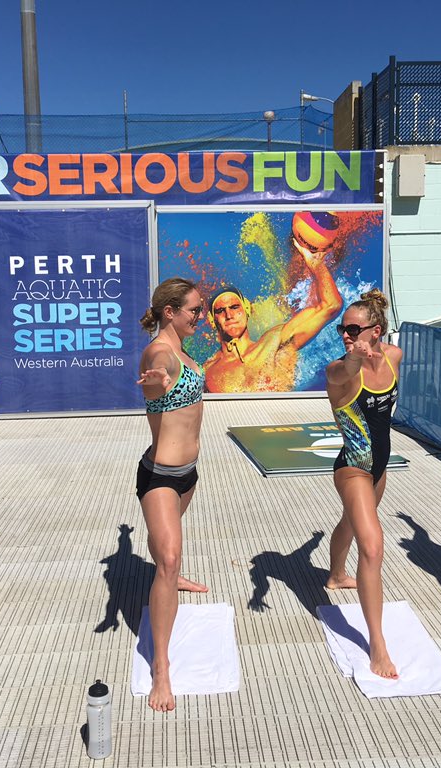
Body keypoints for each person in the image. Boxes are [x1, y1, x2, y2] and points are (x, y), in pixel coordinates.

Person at [136, 278, 210, 712]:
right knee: (168, 557)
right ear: (169, 312)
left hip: (188, 474)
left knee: (167, 545)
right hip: (160, 476)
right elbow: (153, 382)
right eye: (194, 310)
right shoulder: (160, 353)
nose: (199, 317)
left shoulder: (182, 351)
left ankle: (172, 576)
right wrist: (154, 384)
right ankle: (161, 667)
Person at [324, 288, 403, 679]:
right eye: (343, 328)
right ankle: (377, 645)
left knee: (352, 524)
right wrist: (354, 356)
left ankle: (337, 574)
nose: (346, 335)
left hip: (381, 466)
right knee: (372, 547)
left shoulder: (394, 358)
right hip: (353, 466)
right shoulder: (338, 370)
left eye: (355, 329)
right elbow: (345, 371)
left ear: (377, 330)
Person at [204, 238, 341, 393]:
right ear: (212, 320)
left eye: (235, 307)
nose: (229, 315)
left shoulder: (275, 342)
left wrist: (316, 265)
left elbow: (331, 305)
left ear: (247, 310)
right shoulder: (207, 371)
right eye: (220, 311)